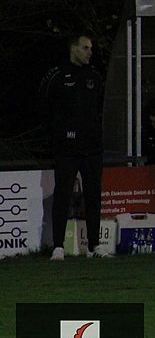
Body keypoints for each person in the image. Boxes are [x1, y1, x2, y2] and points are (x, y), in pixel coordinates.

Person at [40, 32, 111, 260]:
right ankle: (58, 246)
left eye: (91, 48)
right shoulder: (56, 75)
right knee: (63, 194)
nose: (90, 52)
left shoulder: (95, 76)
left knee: (93, 195)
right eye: (86, 48)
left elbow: (98, 108)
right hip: (66, 149)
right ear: (74, 49)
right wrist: (57, 136)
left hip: (92, 148)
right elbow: (44, 109)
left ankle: (94, 246)